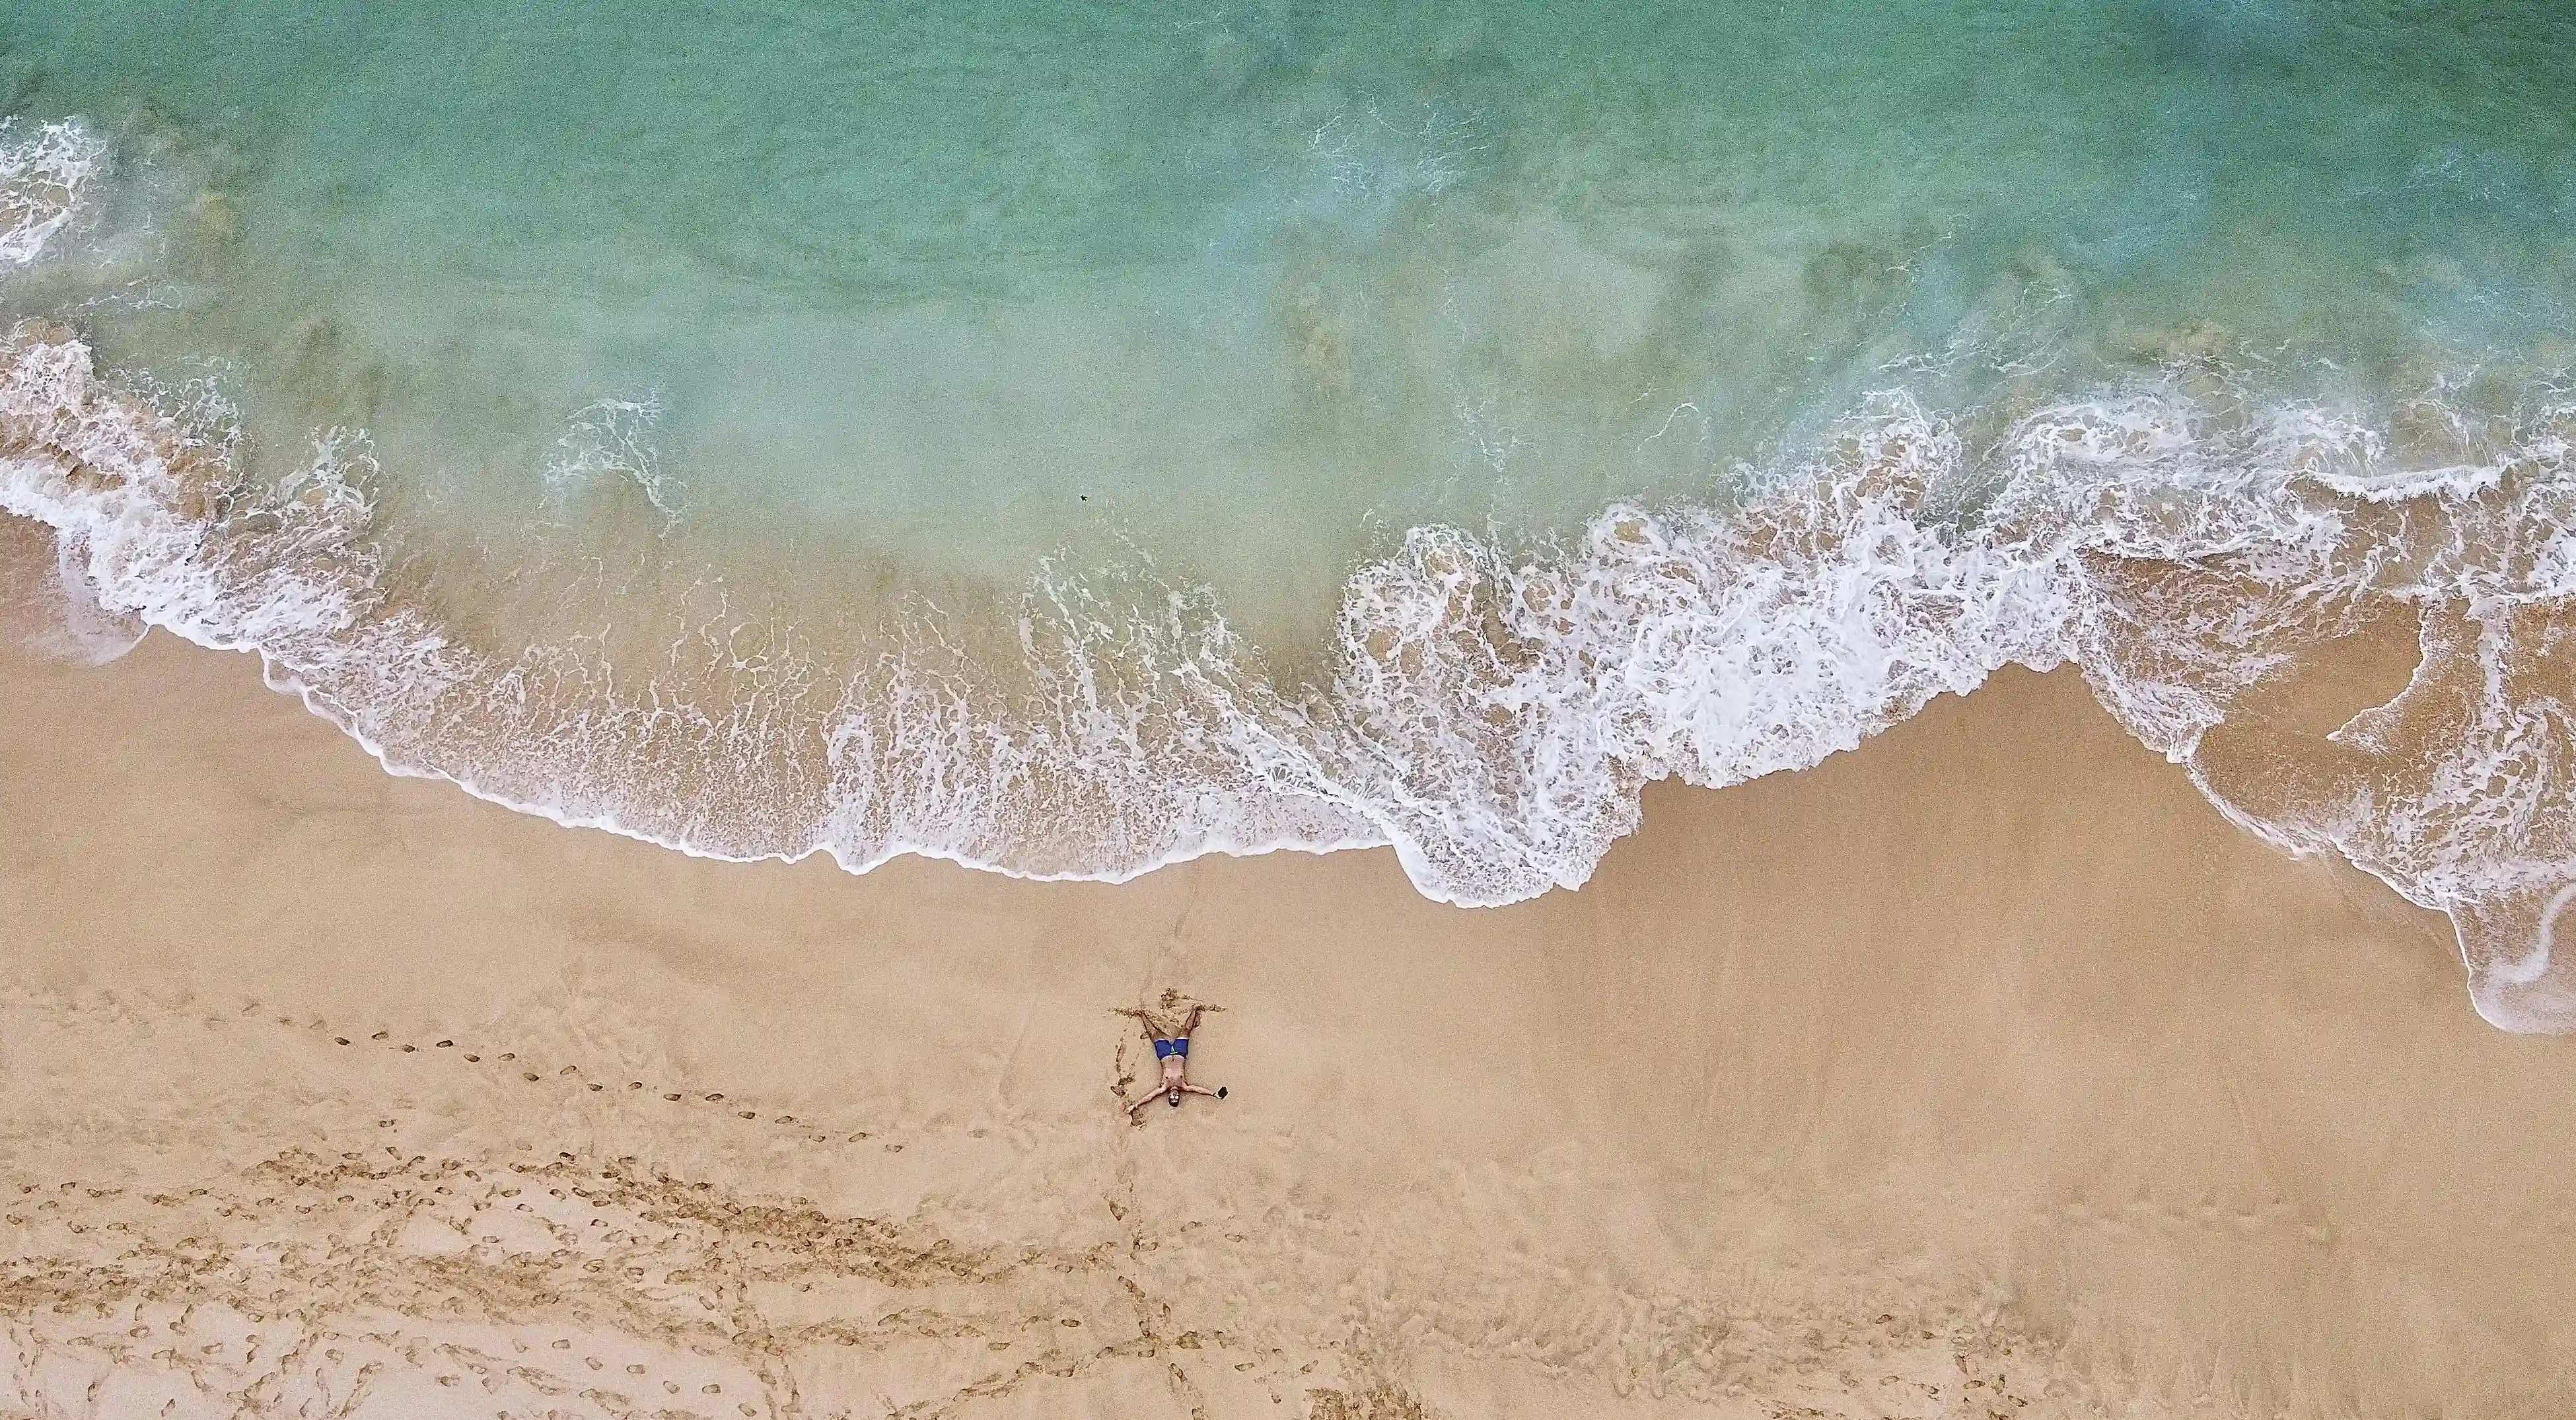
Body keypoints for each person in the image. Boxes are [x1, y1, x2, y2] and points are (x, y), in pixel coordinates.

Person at [1126, 1004, 1227, 1118]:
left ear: (1169, 1096)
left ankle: (1142, 1014)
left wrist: (1135, 1106)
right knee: (1187, 1030)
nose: (1175, 1096)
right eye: (1177, 1098)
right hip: (1180, 1052)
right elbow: (1198, 1090)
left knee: (1153, 1033)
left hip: (1164, 1053)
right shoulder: (1183, 1085)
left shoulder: (1164, 1086)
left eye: (1172, 1098)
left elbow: (1150, 1097)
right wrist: (1214, 1094)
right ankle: (1195, 1009)